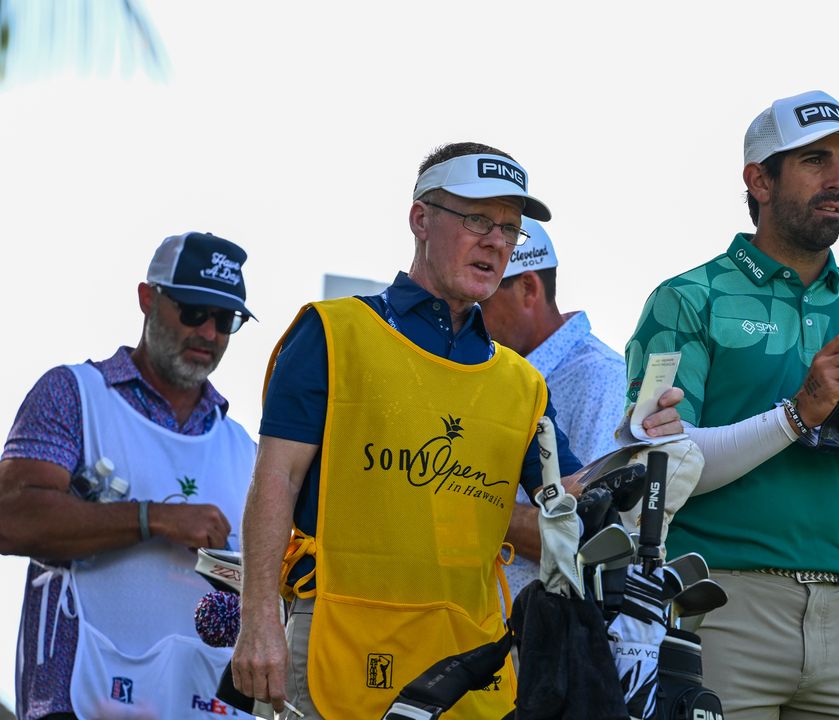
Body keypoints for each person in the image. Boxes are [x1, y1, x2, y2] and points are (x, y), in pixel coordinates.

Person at [230, 142, 683, 719]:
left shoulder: (520, 382)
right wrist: (258, 619)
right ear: (421, 218)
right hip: (344, 645)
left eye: (509, 230)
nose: (495, 241)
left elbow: (567, 500)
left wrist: (633, 445)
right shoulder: (333, 333)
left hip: (475, 666)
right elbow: (274, 481)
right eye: (476, 220)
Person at [625, 89, 839, 718]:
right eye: (814, 161)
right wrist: (797, 413)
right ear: (759, 180)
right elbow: (655, 469)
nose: (838, 180)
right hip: (721, 602)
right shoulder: (686, 299)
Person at [0, 232, 257, 720]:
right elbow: (10, 518)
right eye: (193, 311)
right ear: (147, 298)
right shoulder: (73, 394)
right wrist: (152, 519)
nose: (208, 332)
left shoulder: (244, 449)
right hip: (78, 703)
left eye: (226, 319)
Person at [479, 218, 628, 595]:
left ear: (528, 288)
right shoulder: (491, 373)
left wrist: (460, 502)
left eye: (481, 301)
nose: (467, 318)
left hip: (538, 638)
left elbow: (591, 533)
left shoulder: (601, 378)